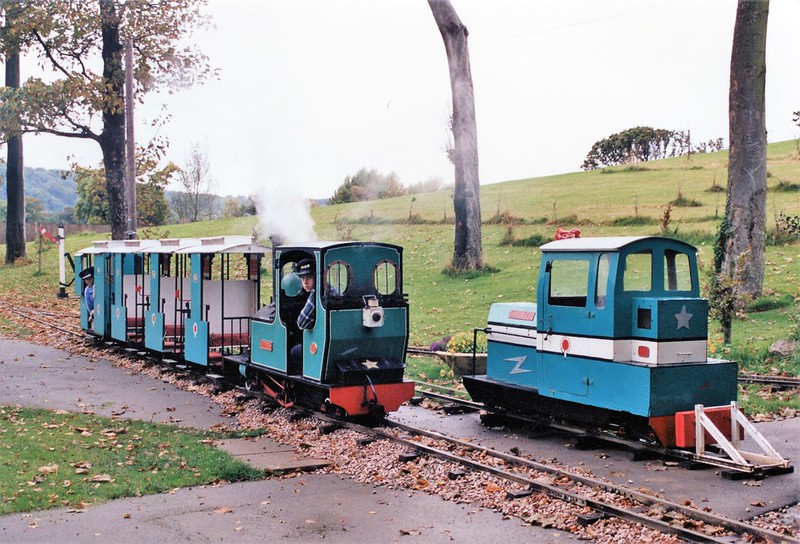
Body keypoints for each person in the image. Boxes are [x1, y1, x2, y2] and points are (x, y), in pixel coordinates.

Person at [290, 258, 316, 366]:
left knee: (294, 351)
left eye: (309, 277)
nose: (305, 281)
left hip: (318, 345)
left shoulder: (315, 295)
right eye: (302, 278)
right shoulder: (331, 289)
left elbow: (301, 323)